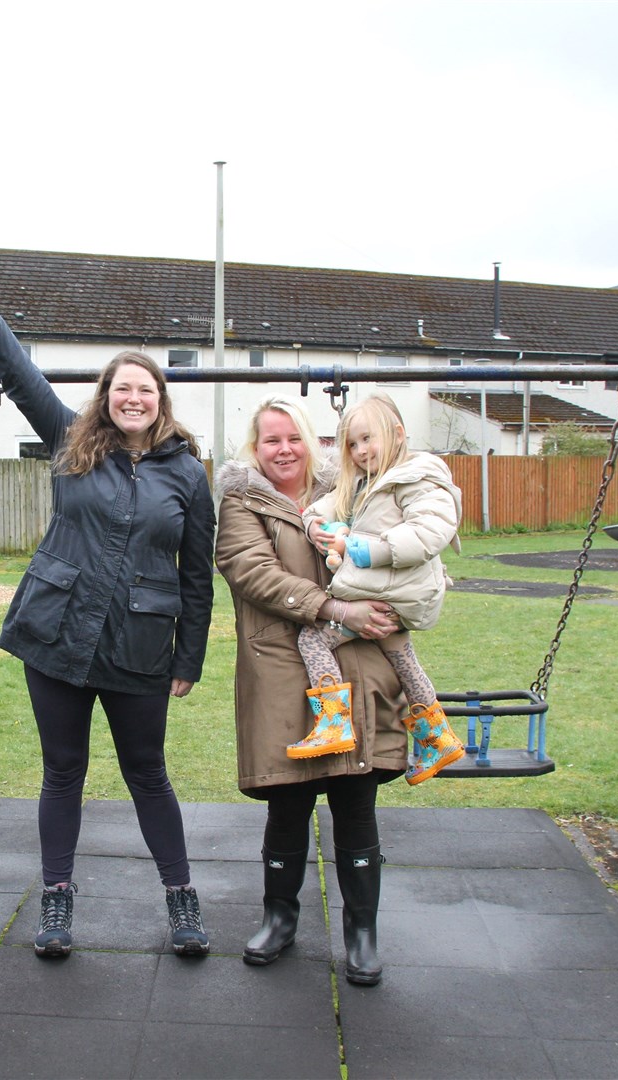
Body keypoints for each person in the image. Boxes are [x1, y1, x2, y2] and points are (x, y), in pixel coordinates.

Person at [0, 251, 216, 959]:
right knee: (62, 771)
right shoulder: (73, 442)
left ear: (161, 401)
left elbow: (198, 576)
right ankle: (56, 903)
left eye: (147, 391)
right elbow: (17, 372)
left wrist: (186, 657)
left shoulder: (188, 474)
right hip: (57, 635)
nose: (134, 398)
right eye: (123, 388)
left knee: (148, 773)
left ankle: (182, 900)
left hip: (139, 646)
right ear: (106, 395)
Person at [213, 395, 409, 986]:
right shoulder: (242, 503)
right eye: (270, 440)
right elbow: (252, 571)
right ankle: (280, 917)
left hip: (355, 664)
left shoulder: (352, 491)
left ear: (312, 440)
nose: (283, 449)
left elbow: (402, 547)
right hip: (279, 664)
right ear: (256, 447)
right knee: (289, 797)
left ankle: (362, 931)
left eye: (293, 437)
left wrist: (397, 602)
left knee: (355, 797)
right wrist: (333, 606)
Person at [297, 392, 467, 782]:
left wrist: (356, 548)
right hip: (392, 594)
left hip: (392, 590)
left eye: (367, 439)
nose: (359, 450)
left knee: (312, 639)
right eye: (352, 444)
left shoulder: (419, 478)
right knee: (404, 660)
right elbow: (328, 507)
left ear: (398, 434)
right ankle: (438, 740)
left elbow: (429, 533)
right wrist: (314, 526)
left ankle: (333, 724)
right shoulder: (363, 482)